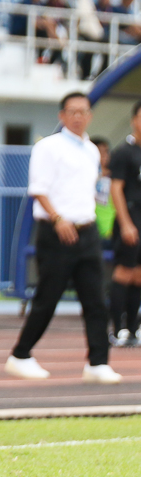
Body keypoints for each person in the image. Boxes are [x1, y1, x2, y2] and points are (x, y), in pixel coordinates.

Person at [4, 92, 121, 383]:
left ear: (90, 115)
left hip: (87, 231)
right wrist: (58, 219)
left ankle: (98, 363)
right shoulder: (48, 147)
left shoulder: (91, 150)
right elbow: (38, 189)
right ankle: (20, 355)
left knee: (96, 300)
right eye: (72, 111)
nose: (78, 117)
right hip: (57, 231)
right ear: (62, 115)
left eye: (83, 111)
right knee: (47, 298)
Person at [107, 104, 141, 346]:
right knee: (124, 271)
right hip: (130, 216)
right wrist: (126, 223)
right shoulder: (123, 152)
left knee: (138, 275)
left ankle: (133, 329)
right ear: (133, 120)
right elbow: (116, 189)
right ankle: (117, 329)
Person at [67, 0, 105, 79]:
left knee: (109, 44)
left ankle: (100, 75)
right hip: (77, 32)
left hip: (92, 32)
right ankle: (84, 74)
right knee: (87, 49)